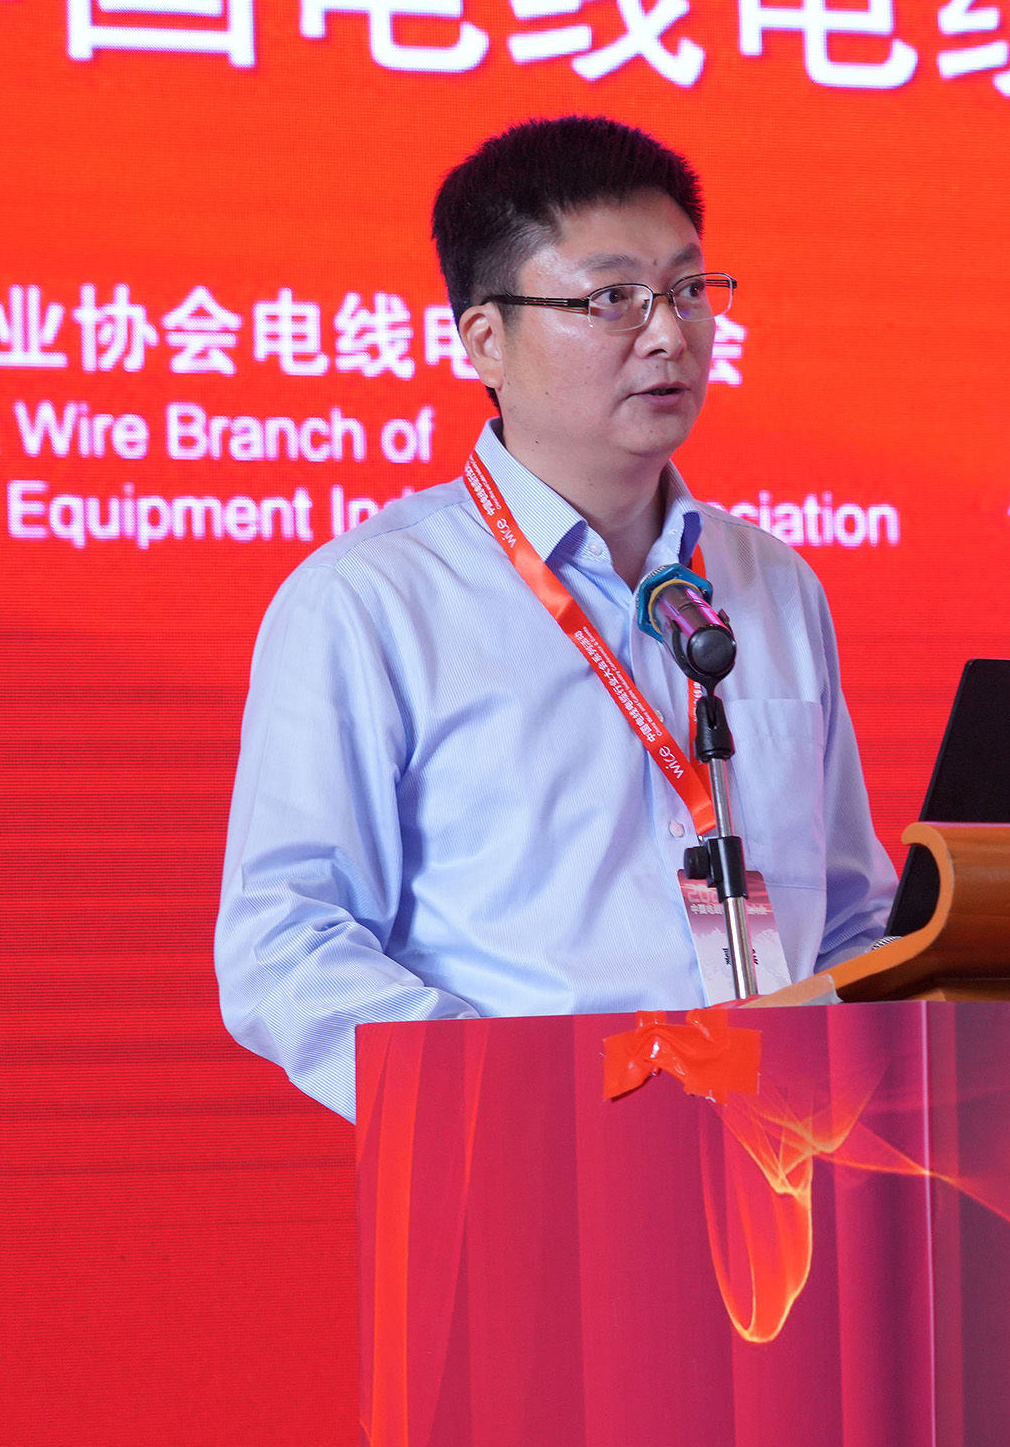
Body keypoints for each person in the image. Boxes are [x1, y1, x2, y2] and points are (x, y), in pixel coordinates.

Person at [214, 115, 897, 1118]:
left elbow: (848, 918)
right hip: (525, 1160)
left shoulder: (773, 584)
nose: (668, 334)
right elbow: (285, 942)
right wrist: (529, 1100)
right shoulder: (372, 600)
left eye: (688, 291)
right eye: (612, 298)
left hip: (783, 1158)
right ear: (486, 341)